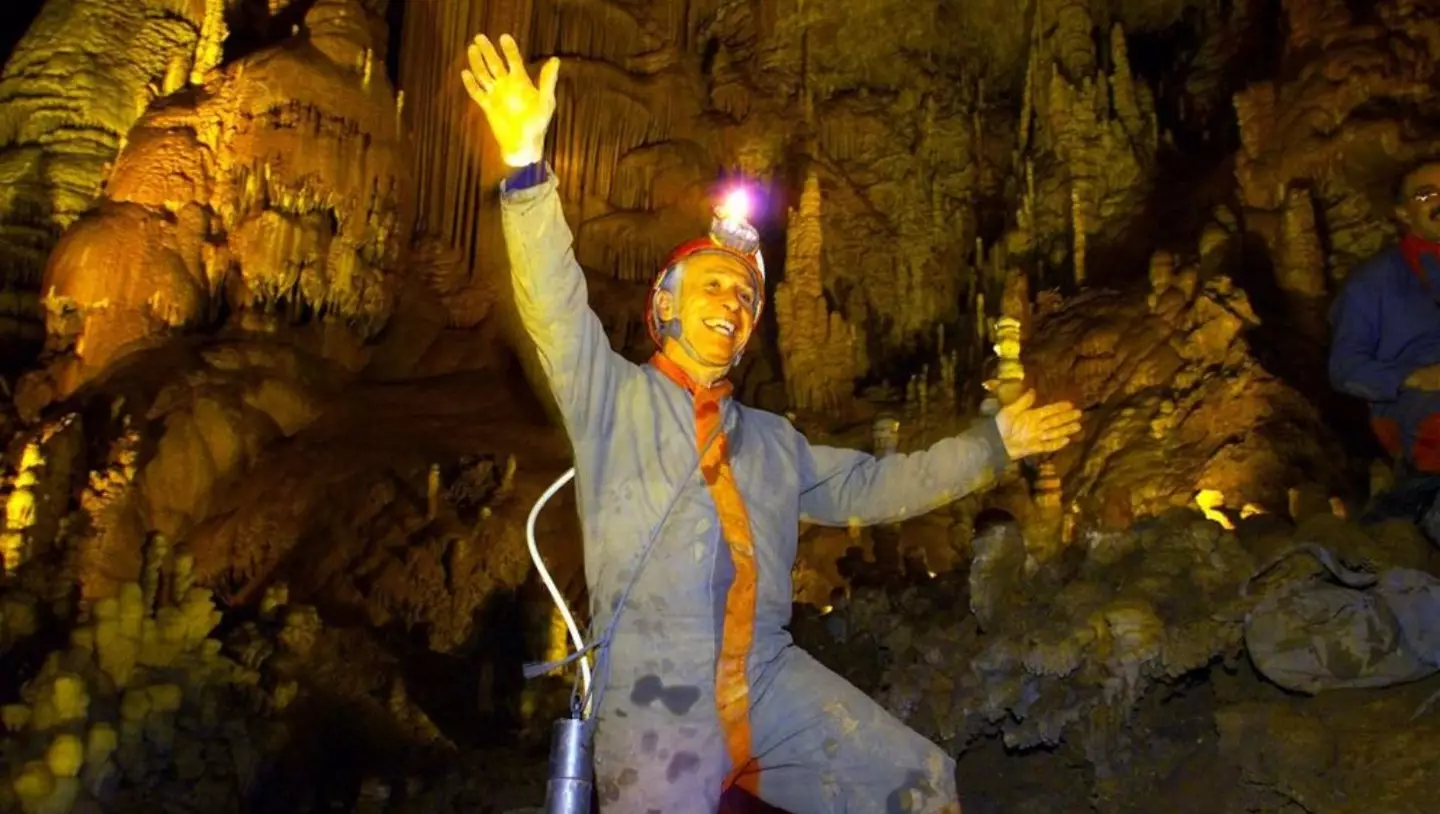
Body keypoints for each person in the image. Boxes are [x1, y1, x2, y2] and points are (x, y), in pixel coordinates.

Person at [462, 33, 1083, 813]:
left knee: (918, 786)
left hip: (767, 679)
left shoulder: (773, 443)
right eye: (714, 287)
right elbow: (552, 302)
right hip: (655, 693)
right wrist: (525, 163)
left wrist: (993, 445)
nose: (732, 304)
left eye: (746, 301)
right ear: (665, 308)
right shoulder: (609, 398)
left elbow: (880, 485)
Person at [1330, 159, 1440, 524]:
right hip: (1421, 408)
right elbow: (1345, 368)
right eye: (1426, 194)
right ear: (1403, 213)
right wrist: (1412, 377)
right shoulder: (1372, 283)